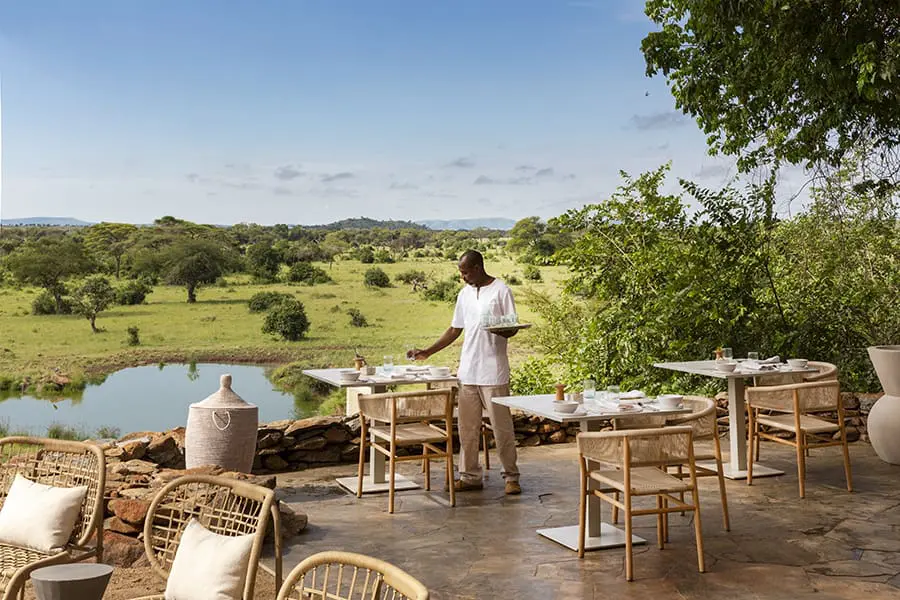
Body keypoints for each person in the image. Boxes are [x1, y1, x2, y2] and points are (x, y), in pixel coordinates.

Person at [408, 249, 521, 495]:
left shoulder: (501, 290)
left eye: (465, 271)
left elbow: (512, 328)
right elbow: (454, 329)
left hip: (494, 371)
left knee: (502, 428)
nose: (462, 277)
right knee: (467, 428)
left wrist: (499, 330)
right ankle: (470, 476)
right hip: (468, 371)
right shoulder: (464, 294)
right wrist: (428, 351)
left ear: (478, 268)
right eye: (461, 272)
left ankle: (511, 476)